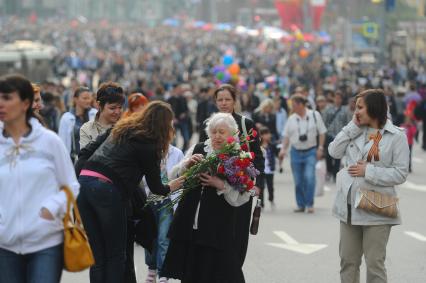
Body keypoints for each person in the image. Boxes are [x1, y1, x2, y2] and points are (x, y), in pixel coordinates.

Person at [76, 101, 185, 283]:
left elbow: (84, 153)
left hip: (84, 184)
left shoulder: (121, 129)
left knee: (98, 255)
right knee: (115, 255)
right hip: (108, 190)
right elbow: (157, 188)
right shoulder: (150, 144)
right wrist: (178, 183)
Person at [0, 74, 80, 283]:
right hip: (4, 245)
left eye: (7, 97)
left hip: (46, 243)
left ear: (26, 103)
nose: (1, 103)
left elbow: (71, 184)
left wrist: (51, 208)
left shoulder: (49, 141)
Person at [328, 89, 409, 283]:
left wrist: (369, 172)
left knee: (375, 264)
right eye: (355, 107)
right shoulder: (354, 130)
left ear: (373, 108)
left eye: (360, 107)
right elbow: (333, 151)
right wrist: (351, 127)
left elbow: (400, 173)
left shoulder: (396, 136)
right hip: (348, 206)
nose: (356, 112)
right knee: (348, 261)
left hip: (377, 207)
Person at [162, 112, 251, 283]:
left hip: (216, 228)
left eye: (222, 132)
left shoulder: (238, 157)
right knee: (191, 272)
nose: (217, 136)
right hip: (189, 223)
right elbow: (172, 176)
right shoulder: (199, 148)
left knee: (217, 273)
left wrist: (220, 185)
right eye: (214, 131)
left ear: (232, 134)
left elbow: (243, 196)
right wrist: (186, 164)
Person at [198, 84, 264, 270]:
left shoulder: (246, 124)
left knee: (239, 233)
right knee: (217, 233)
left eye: (228, 99)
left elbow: (258, 156)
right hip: (214, 187)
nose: (224, 103)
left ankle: (234, 271)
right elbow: (202, 150)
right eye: (220, 100)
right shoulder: (209, 124)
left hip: (240, 185)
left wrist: (256, 184)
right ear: (215, 102)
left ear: (235, 101)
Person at [278, 94, 327, 213]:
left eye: (294, 105)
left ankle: (309, 204)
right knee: (298, 180)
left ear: (301, 105)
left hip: (310, 151)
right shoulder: (291, 118)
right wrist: (283, 149)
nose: (292, 108)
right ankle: (300, 204)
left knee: (309, 177)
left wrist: (320, 148)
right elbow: (286, 135)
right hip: (295, 152)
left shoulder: (315, 115)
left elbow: (322, 132)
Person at [143, 144, 184, 283]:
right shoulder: (148, 151)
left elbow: (182, 176)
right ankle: (151, 268)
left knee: (163, 238)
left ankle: (162, 272)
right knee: (150, 236)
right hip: (150, 199)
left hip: (167, 200)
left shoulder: (176, 153)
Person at [79, 82, 125, 150]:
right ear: (99, 105)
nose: (117, 112)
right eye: (112, 108)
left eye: (120, 107)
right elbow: (85, 158)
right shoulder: (87, 129)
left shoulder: (125, 129)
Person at [58, 86, 97, 161]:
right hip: (73, 161)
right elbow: (62, 143)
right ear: (75, 99)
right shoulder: (66, 118)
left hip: (92, 161)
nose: (88, 101)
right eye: (84, 98)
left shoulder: (95, 114)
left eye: (89, 98)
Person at [322, 90, 350, 182]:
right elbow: (324, 121)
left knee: (338, 155)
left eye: (339, 98)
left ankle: (335, 173)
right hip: (329, 134)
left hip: (340, 135)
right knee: (328, 155)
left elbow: (347, 122)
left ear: (341, 99)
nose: (337, 100)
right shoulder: (328, 109)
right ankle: (329, 170)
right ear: (333, 98)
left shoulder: (345, 110)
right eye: (336, 98)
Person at [258, 127, 278, 209]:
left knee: (270, 186)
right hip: (261, 170)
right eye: (265, 134)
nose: (267, 136)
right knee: (261, 187)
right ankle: (261, 203)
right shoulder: (258, 146)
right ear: (261, 136)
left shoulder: (272, 145)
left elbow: (277, 153)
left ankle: (271, 199)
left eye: (268, 133)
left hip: (270, 170)